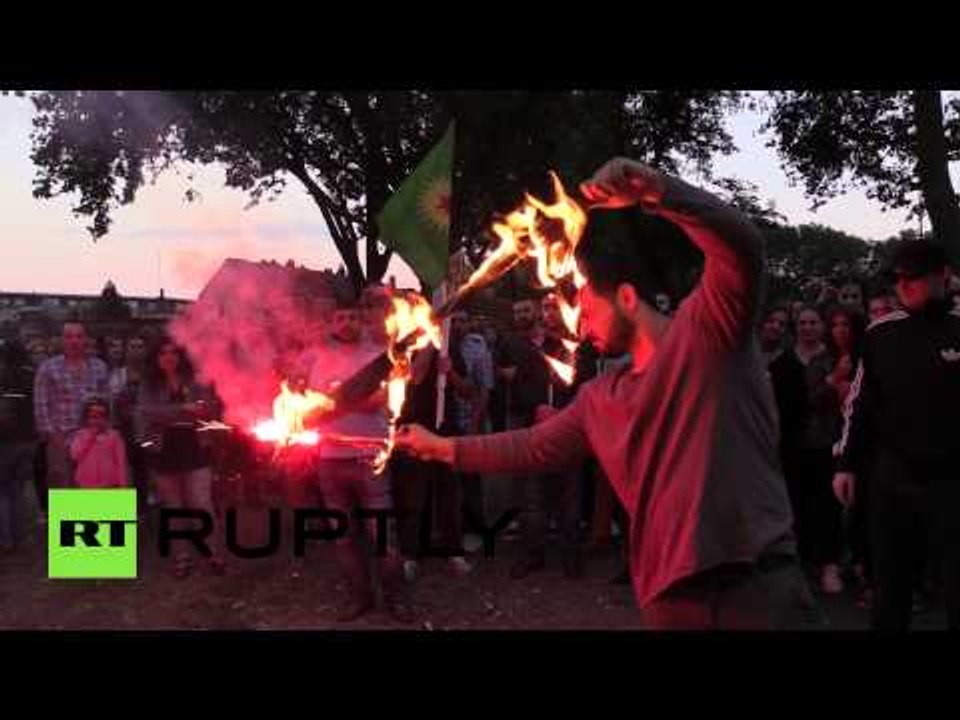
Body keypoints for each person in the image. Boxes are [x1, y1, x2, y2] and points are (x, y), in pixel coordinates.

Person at [398, 157, 812, 630]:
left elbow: (742, 248)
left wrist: (658, 191)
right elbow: (531, 446)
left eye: (585, 303)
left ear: (628, 298)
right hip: (668, 599)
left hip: (754, 588)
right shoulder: (600, 397)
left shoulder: (710, 332)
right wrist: (440, 447)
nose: (580, 322)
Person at [834, 239, 960, 630]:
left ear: (944, 276)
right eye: (898, 278)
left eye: (914, 277)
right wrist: (846, 464)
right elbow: (859, 405)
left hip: (953, 481)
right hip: (893, 480)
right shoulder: (880, 334)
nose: (903, 285)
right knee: (890, 586)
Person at [309, 295, 410, 623]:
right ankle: (359, 596)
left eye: (353, 317)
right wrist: (351, 396)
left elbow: (382, 399)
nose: (347, 323)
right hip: (329, 458)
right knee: (344, 536)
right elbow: (314, 408)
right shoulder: (320, 359)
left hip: (370, 456)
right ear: (332, 323)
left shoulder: (378, 356)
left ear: (361, 321)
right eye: (340, 318)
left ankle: (395, 598)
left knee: (382, 533)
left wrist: (339, 397)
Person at [136, 336, 223, 578]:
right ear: (156, 357)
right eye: (163, 352)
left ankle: (212, 553)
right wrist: (183, 409)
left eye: (173, 352)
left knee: (201, 503)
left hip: (196, 447)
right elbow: (148, 412)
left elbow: (211, 408)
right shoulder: (149, 384)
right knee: (174, 507)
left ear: (180, 356)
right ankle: (182, 558)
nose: (168, 357)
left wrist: (194, 410)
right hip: (163, 450)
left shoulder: (196, 380)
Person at [33, 321, 109, 505]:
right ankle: (66, 531)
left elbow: (107, 403)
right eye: (68, 336)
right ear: (62, 340)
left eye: (78, 336)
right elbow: (40, 405)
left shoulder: (99, 367)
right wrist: (52, 436)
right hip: (60, 440)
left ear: (86, 340)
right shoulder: (48, 368)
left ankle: (96, 530)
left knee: (94, 492)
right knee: (64, 493)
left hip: (93, 440)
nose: (74, 341)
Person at [0, 341, 35, 552]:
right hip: (26, 440)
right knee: (17, 490)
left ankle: (5, 540)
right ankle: (19, 537)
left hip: (4, 441)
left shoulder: (1, 376)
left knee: (2, 492)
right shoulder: (32, 375)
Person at [69, 397, 129, 488]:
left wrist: (123, 485)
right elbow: (75, 455)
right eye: (93, 417)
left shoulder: (114, 436)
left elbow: (121, 462)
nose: (97, 421)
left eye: (101, 416)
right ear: (86, 418)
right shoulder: (80, 435)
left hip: (109, 484)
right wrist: (90, 437)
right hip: (85, 484)